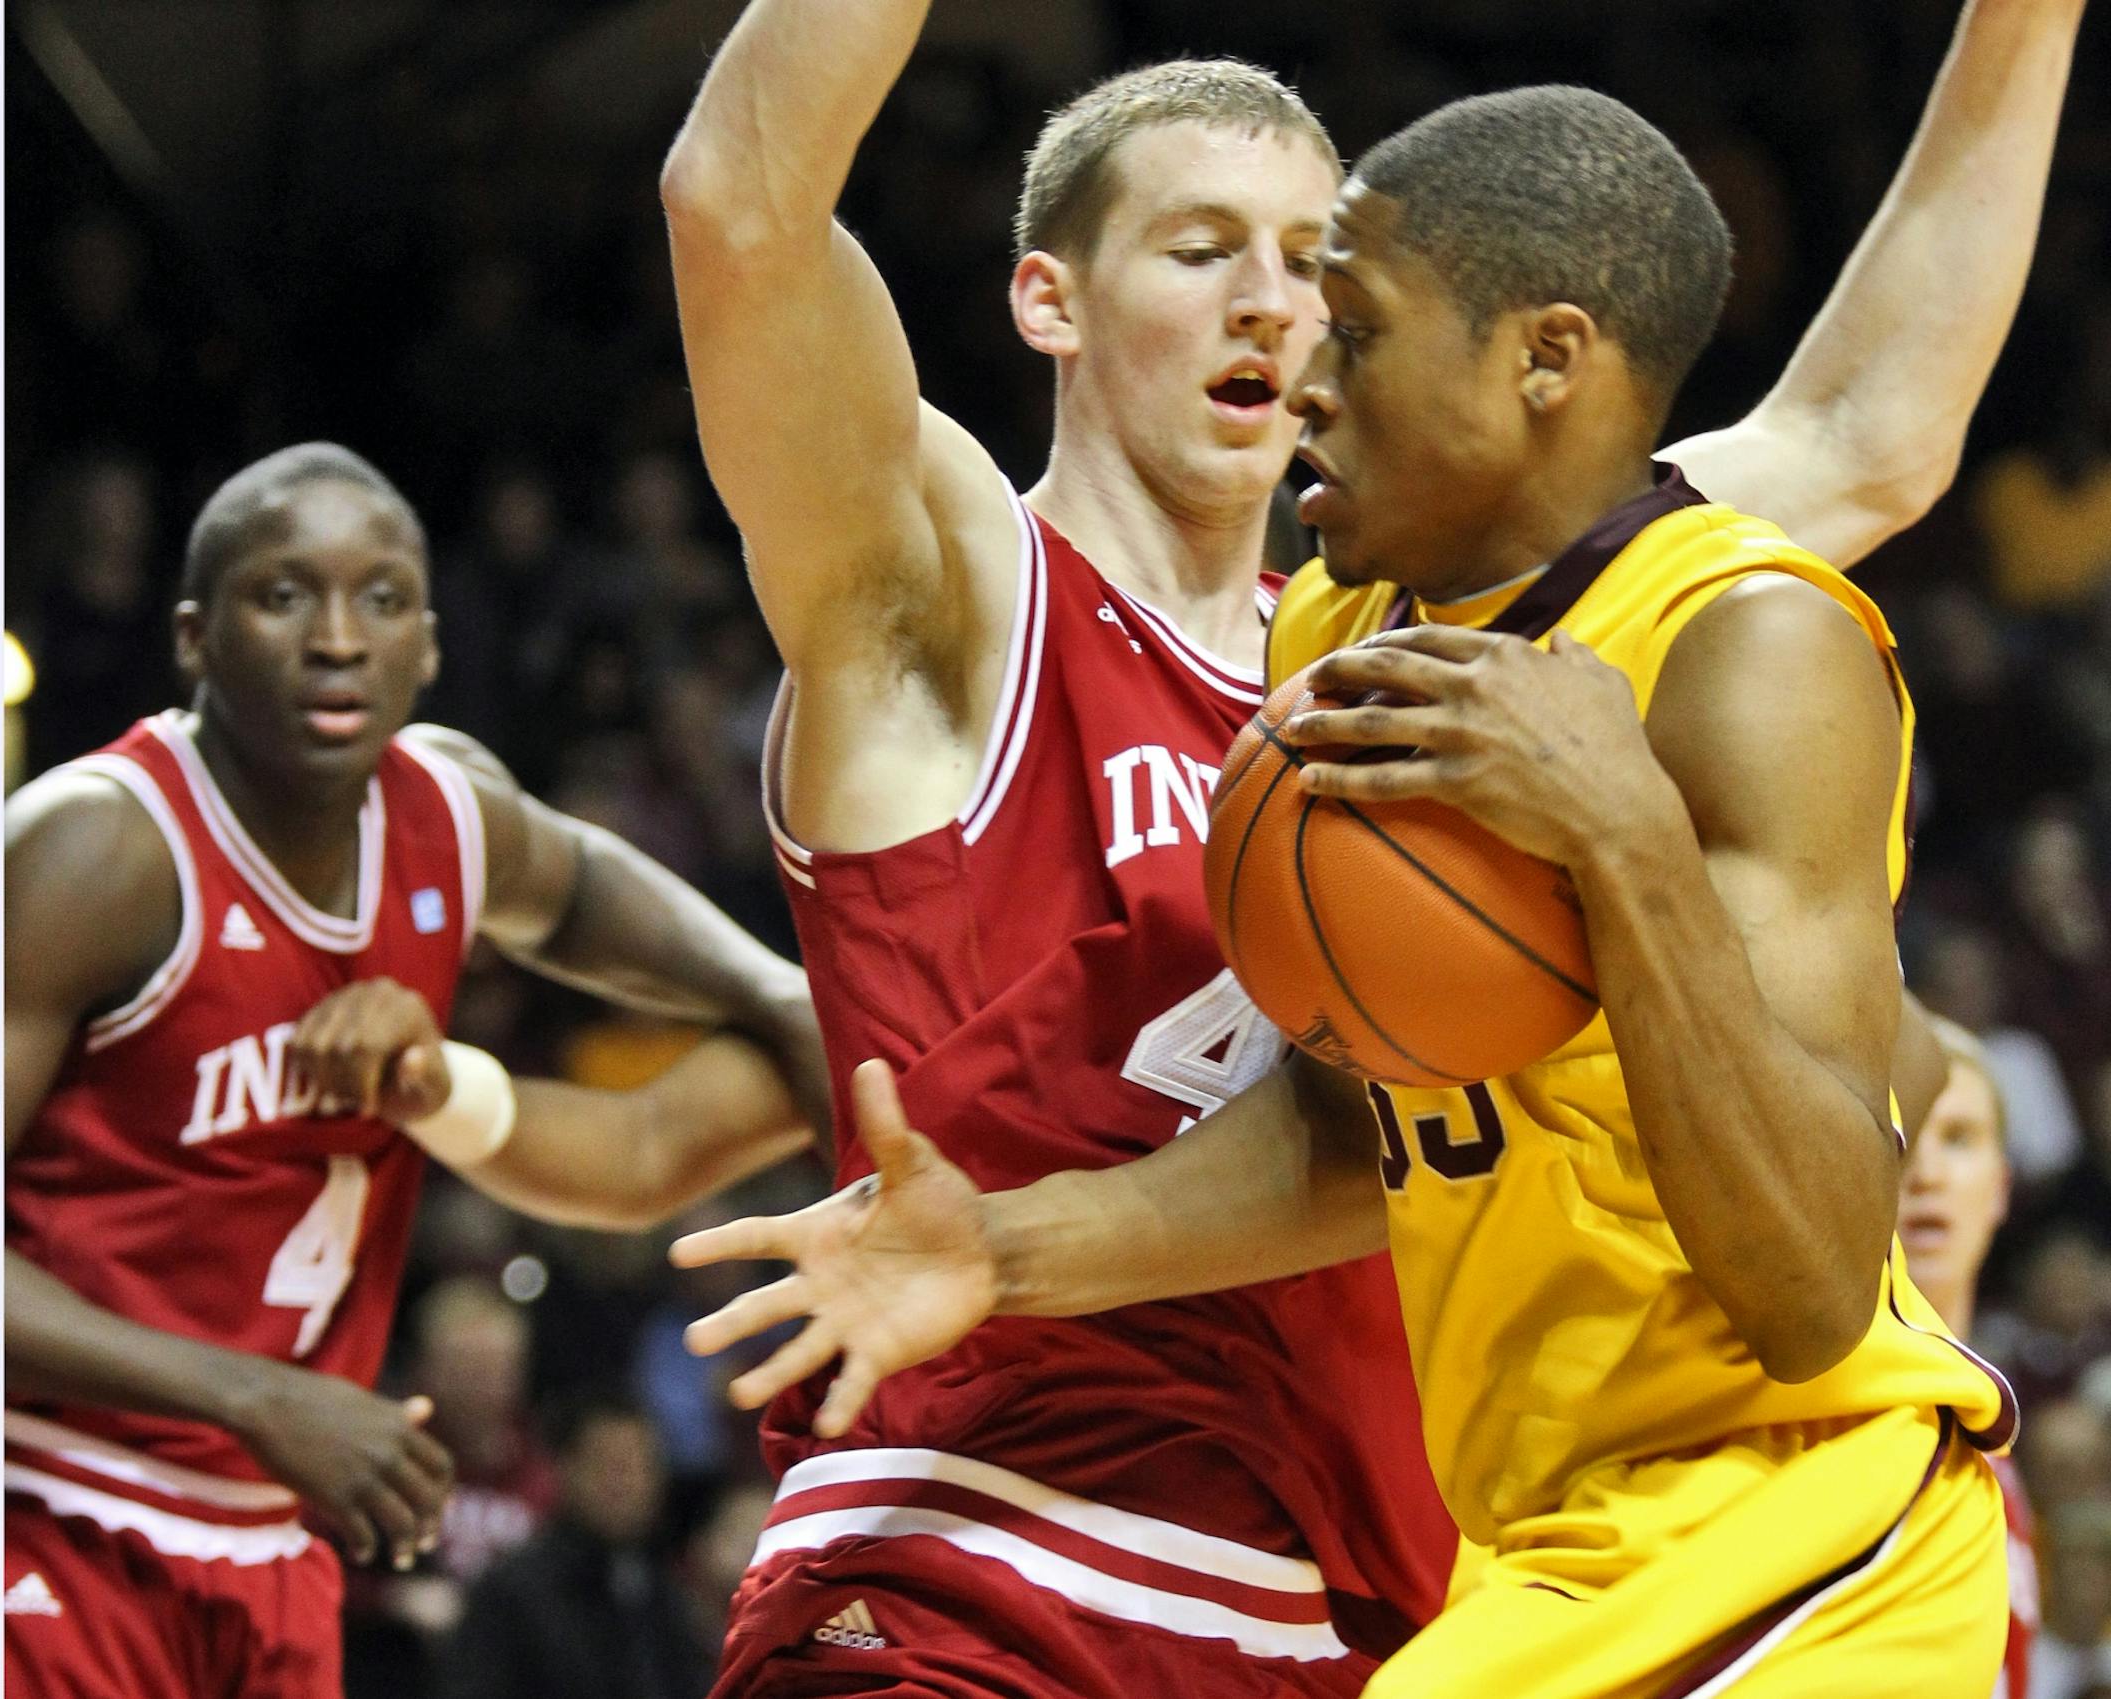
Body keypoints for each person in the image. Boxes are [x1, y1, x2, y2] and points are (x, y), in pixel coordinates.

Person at [659, 0, 2085, 1690]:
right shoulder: (955, 593)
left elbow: (1866, 432)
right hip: (1006, 1539)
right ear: (1049, 295)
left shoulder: (1429, 641)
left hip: (1384, 1601)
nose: (1274, 304)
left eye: (1317, 271)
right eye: (1202, 250)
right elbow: (740, 205)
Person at [3, 442, 826, 1699]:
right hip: (44, 1503)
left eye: (382, 599)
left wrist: (771, 988)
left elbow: (589, 891)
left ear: (431, 646)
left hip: (272, 1537)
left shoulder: (450, 812)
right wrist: (259, 1398)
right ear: (192, 636)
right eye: (284, 595)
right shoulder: (96, 850)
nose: (339, 638)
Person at [1904, 1015, 2039, 1697]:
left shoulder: (2001, 1444)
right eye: (1901, 1139)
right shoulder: (1826, 1419)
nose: (1926, 1173)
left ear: (2001, 1185)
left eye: (1958, 1138)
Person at [437, 1391, 720, 1699]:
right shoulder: (512, 1593)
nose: (626, 1484)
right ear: (566, 1470)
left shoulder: (664, 1590)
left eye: (640, 1465)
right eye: (611, 1466)